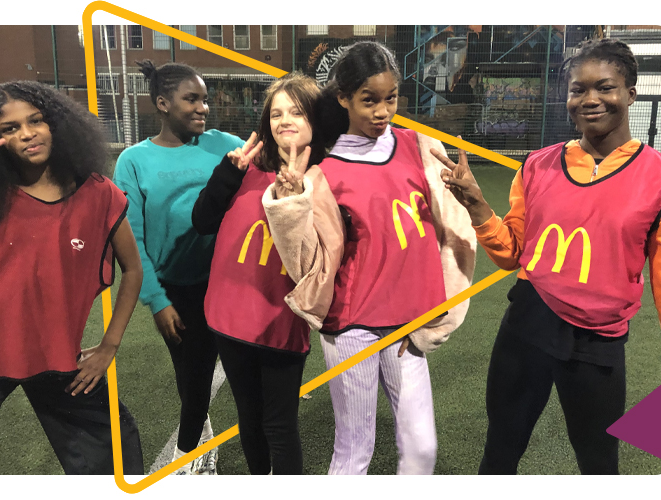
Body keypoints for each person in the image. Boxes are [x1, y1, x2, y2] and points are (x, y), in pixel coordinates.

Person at [431, 38, 661, 475]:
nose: (590, 99)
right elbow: (511, 255)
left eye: (605, 87)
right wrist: (477, 206)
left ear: (630, 94)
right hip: (527, 328)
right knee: (500, 452)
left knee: (600, 465)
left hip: (598, 344)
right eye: (578, 89)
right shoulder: (538, 165)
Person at [0, 80, 144, 475]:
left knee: (116, 456)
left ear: (56, 123)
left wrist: (110, 345)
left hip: (57, 356)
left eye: (36, 120)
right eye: (10, 128)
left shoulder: (100, 195)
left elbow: (133, 269)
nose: (27, 133)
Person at [313, 41, 477, 475]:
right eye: (369, 100)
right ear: (344, 98)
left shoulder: (417, 146)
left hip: (408, 325)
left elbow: (450, 225)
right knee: (353, 454)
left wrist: (464, 193)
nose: (383, 110)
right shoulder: (325, 168)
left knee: (422, 449)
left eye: (391, 98)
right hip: (353, 325)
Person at [192, 73, 344, 475]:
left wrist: (297, 197)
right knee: (250, 421)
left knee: (279, 425)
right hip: (228, 316)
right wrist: (228, 173)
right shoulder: (246, 167)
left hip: (280, 321)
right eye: (276, 112)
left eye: (296, 110)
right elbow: (203, 221)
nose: (284, 120)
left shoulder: (328, 177)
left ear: (315, 117)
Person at [112, 60, 245, 475]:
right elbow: (131, 240)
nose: (203, 107)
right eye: (192, 99)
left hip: (227, 284)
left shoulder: (224, 144)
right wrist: (157, 300)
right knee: (191, 379)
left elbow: (272, 160)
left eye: (205, 99)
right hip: (175, 292)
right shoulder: (133, 161)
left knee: (223, 375)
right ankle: (194, 448)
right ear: (163, 103)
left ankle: (193, 454)